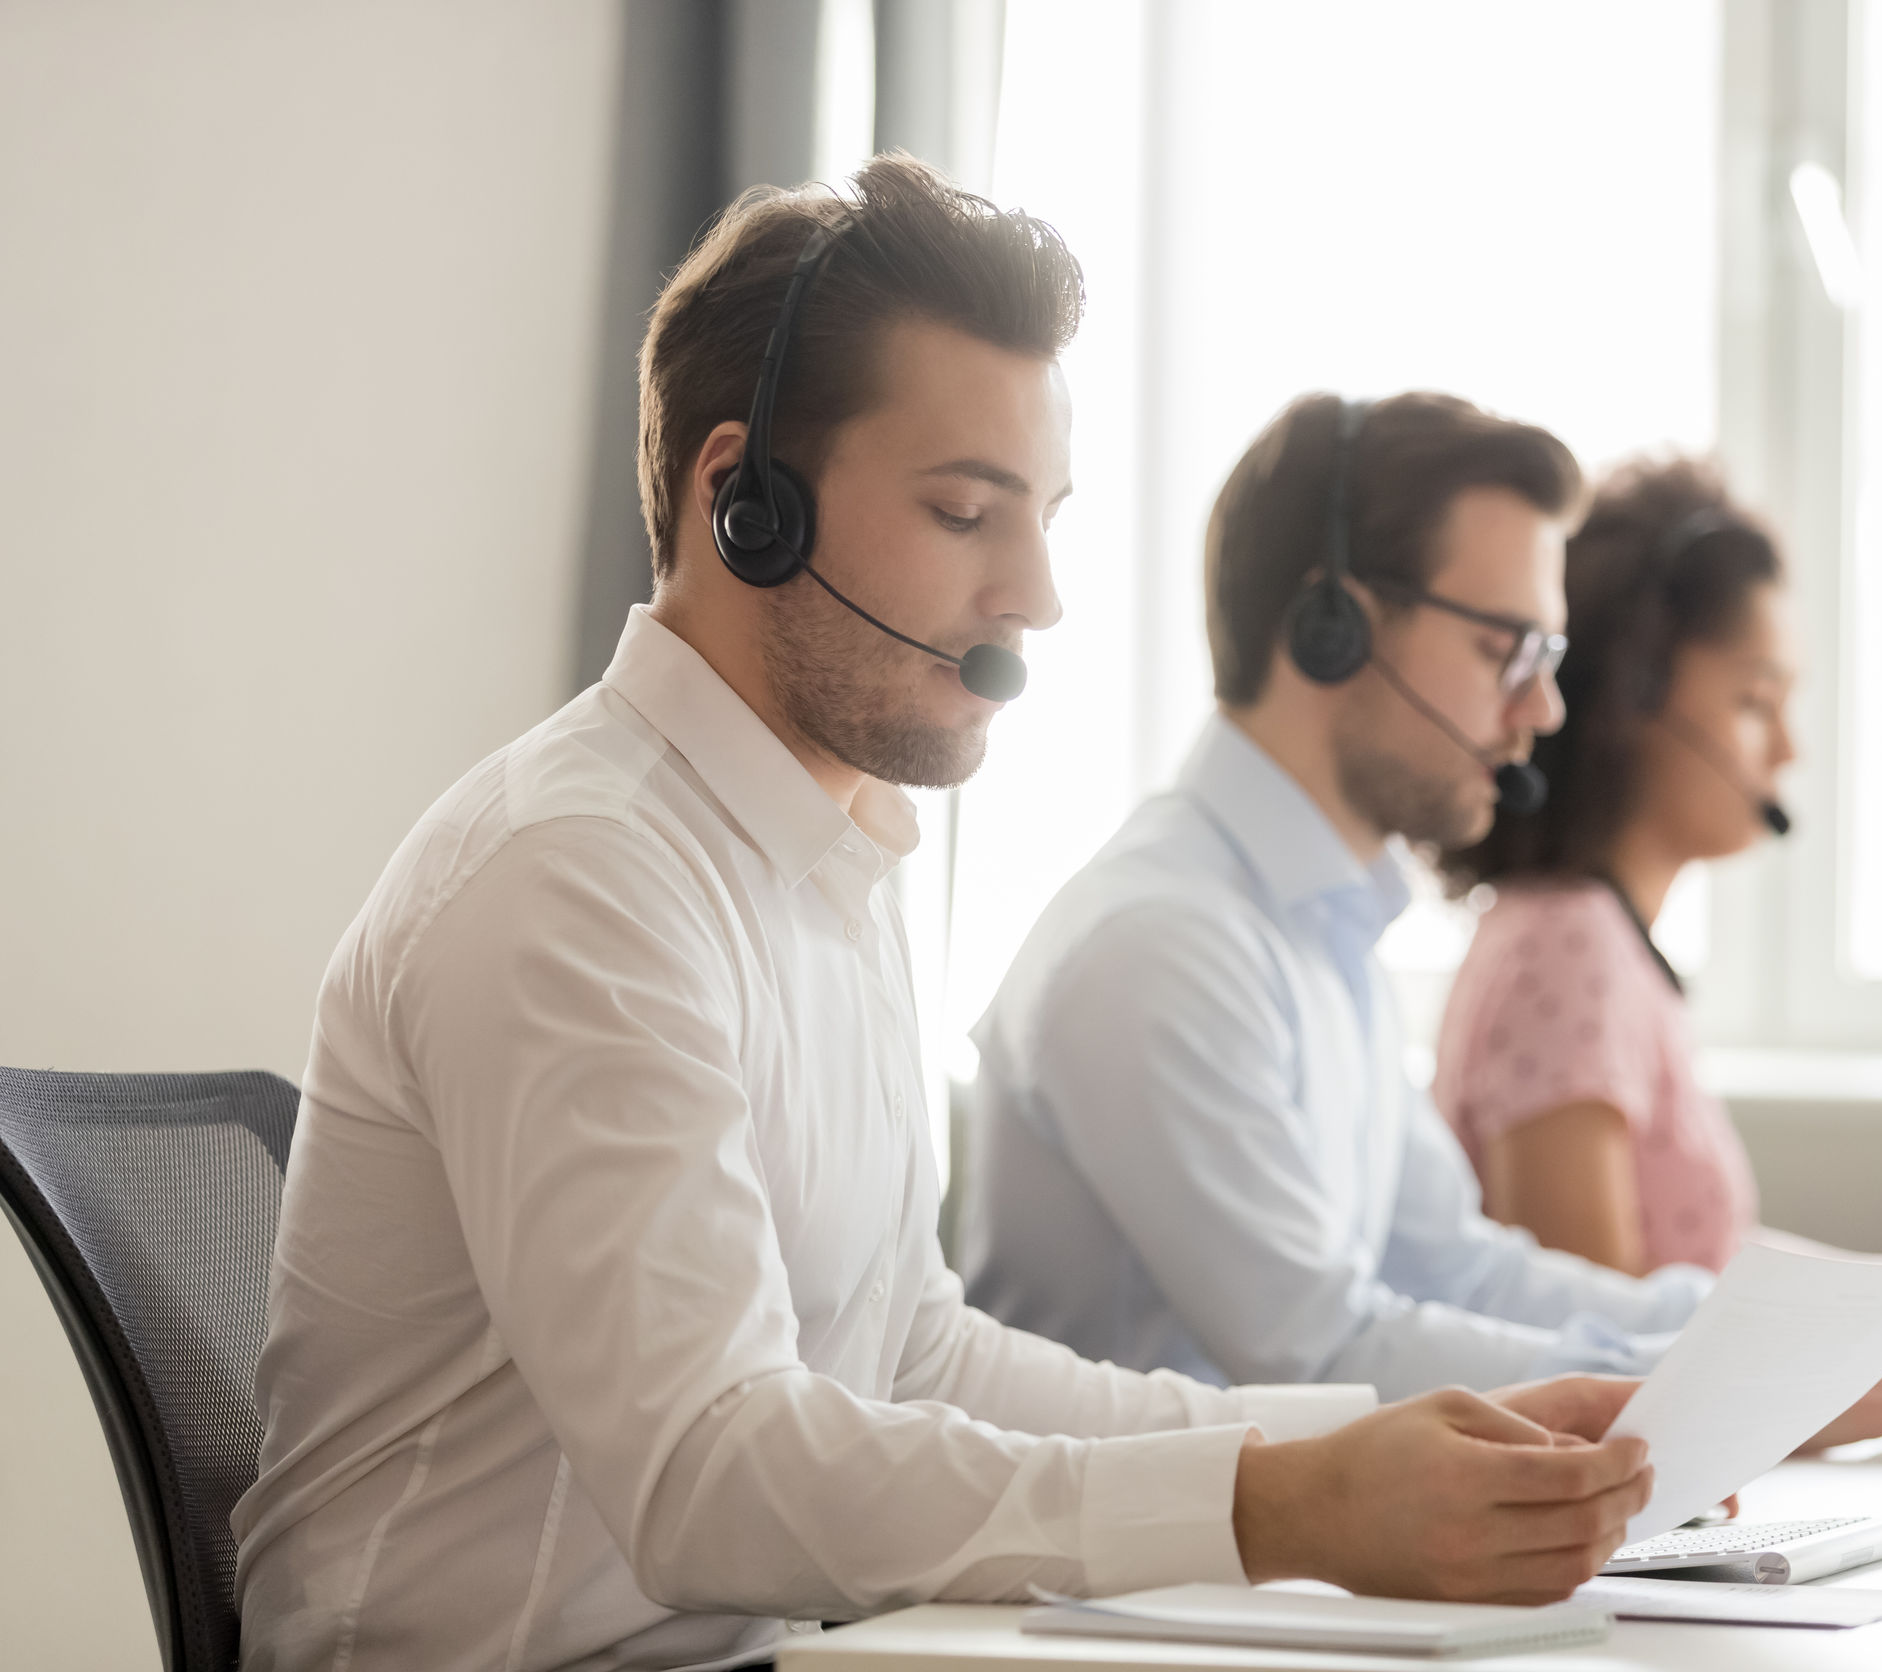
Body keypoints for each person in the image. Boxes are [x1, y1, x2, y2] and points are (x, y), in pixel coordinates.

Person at [231, 163, 1660, 1672]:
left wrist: (1380, 1451)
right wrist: (1282, 1505)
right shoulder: (577, 877)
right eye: (967, 512)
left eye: (1042, 518)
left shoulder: (827, 866)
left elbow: (916, 1353)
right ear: (747, 505)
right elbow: (709, 1472)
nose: (1036, 594)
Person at [962, 395, 1882, 1429]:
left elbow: (1462, 1266)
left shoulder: (1315, 935)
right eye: (1503, 650)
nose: (1546, 710)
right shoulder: (1162, 945)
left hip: (1239, 1587)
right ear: (1330, 624)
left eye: (1550, 656)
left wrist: (1841, 1336)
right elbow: (1323, 1352)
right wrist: (1761, 1388)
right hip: (1120, 1606)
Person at [1433, 457, 1882, 1296]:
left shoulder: (1594, 940)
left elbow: (1706, 1273)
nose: (1787, 751)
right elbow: (1599, 1345)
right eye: (1755, 703)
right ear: (1633, 698)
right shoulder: (1565, 947)